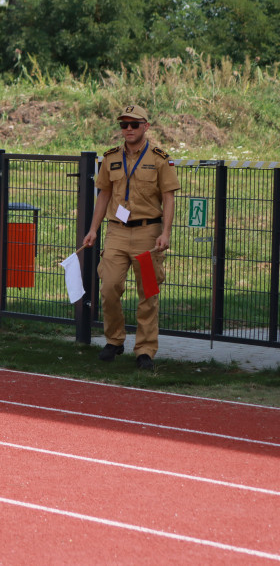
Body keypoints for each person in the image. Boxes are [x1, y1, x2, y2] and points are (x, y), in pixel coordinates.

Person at [82, 105, 180, 370]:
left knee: (148, 292)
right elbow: (103, 194)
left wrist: (165, 232)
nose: (128, 129)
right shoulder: (111, 158)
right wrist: (93, 229)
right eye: (124, 125)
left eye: (134, 125)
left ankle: (145, 350)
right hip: (116, 232)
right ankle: (114, 340)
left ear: (145, 127)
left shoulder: (160, 159)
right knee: (109, 287)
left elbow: (169, 198)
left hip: (148, 232)